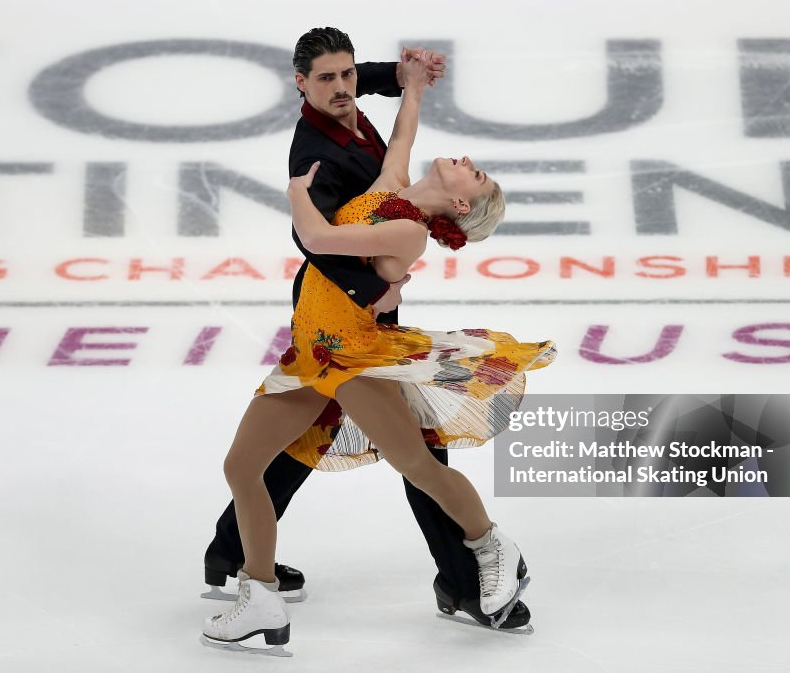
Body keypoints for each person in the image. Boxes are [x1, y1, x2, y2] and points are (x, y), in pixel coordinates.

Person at [201, 42, 556, 654]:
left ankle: (492, 545)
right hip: (310, 352)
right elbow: (402, 146)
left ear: (461, 202)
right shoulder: (394, 190)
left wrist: (293, 192)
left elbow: (315, 234)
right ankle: (257, 596)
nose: (467, 159)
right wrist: (411, 87)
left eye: (474, 171)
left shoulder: (406, 229)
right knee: (242, 467)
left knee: (418, 464)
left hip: (351, 358)